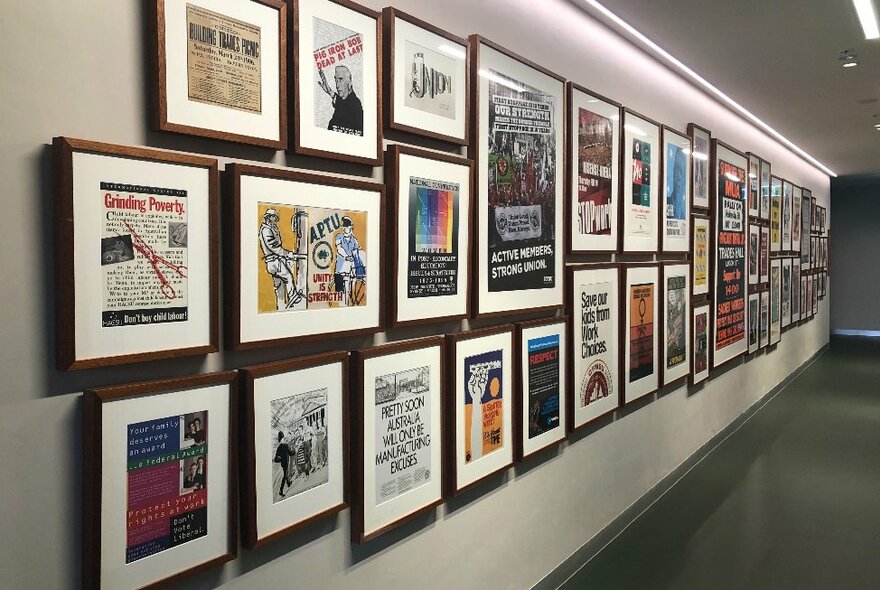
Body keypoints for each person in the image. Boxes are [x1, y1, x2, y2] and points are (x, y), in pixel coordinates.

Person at [259, 208, 305, 310]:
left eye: (275, 218)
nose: (275, 219)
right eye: (273, 217)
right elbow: (273, 247)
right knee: (288, 276)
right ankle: (293, 296)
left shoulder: (270, 228)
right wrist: (287, 254)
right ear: (268, 217)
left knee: (279, 286)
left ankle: (281, 307)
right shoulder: (266, 230)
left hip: (273, 261)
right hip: (274, 261)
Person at [318, 65, 363, 136]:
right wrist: (329, 91)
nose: (337, 85)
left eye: (340, 79)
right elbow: (342, 102)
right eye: (335, 80)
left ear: (349, 81)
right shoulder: (344, 101)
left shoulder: (355, 105)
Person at [333, 216, 364, 306]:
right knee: (342, 290)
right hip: (341, 266)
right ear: (344, 228)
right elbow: (339, 248)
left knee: (353, 284)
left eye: (350, 228)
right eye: (346, 227)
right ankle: (343, 303)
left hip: (352, 267)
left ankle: (352, 300)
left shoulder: (353, 239)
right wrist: (346, 256)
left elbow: (358, 249)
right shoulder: (339, 236)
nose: (348, 229)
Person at [273, 431, 293, 497]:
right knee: (284, 476)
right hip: (286, 462)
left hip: (282, 463)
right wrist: (294, 451)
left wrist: (280, 458)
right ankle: (281, 491)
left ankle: (289, 483)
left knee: (285, 472)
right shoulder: (286, 445)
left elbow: (276, 459)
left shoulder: (279, 448)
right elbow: (290, 453)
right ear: (282, 439)